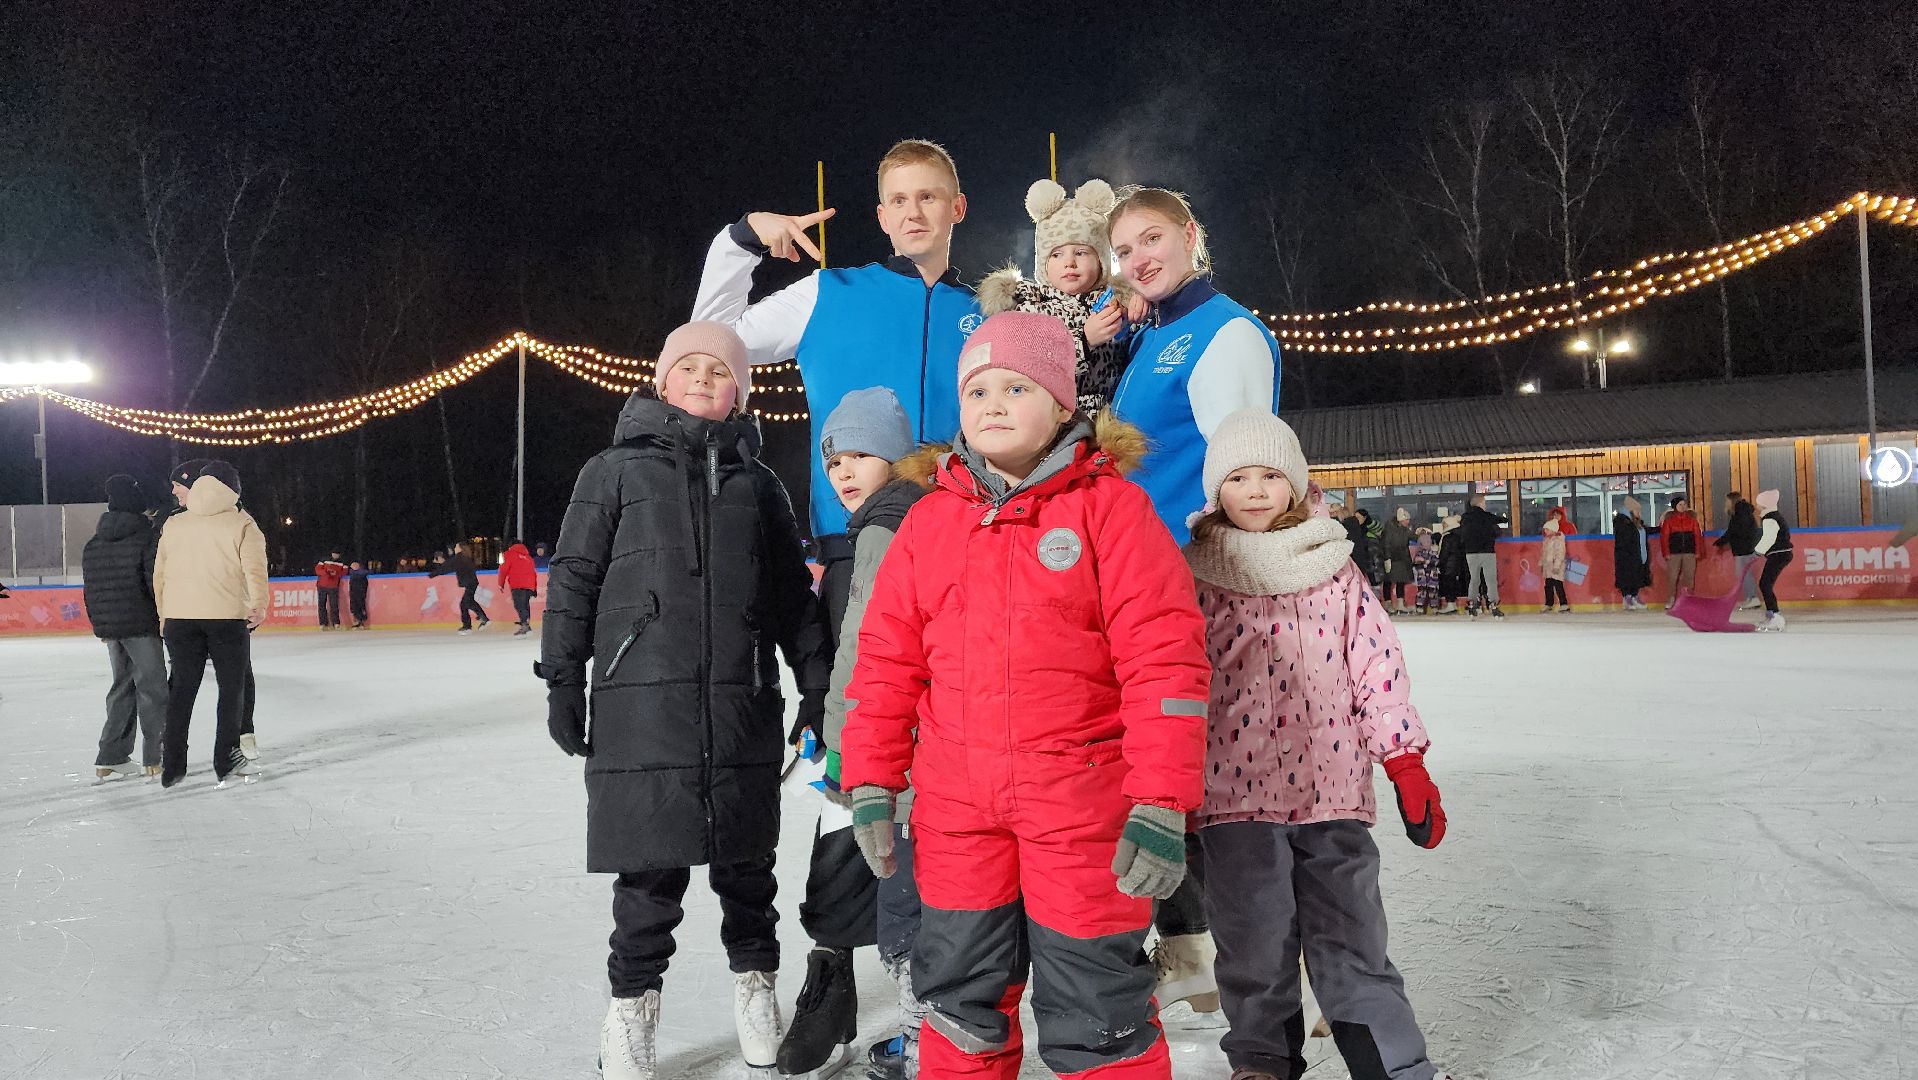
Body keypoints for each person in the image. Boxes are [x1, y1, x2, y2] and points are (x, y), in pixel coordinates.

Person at [841, 312, 1212, 1080]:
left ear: (1065, 404)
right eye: (977, 390)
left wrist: (1161, 801)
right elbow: (884, 665)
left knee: (1098, 1004)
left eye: (1016, 385)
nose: (994, 403)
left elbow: (1165, 665)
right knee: (957, 999)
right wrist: (872, 779)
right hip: (957, 816)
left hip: (1083, 810)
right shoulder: (928, 522)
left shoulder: (1113, 511)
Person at [538, 320, 831, 1080]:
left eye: (720, 370)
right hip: (643, 704)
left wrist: (816, 682)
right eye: (689, 366)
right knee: (649, 871)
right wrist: (564, 678)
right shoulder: (612, 472)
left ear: (739, 390)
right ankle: (631, 1010)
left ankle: (755, 986)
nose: (703, 378)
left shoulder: (758, 484)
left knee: (747, 866)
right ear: (663, 380)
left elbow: (792, 595)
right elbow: (573, 579)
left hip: (741, 701)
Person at [1180, 410, 1451, 1080]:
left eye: (1271, 475)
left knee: (1352, 938)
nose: (1256, 490)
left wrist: (1405, 761)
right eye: (1238, 477)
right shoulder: (1193, 574)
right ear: (1216, 491)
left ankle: (1391, 1063)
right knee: (1253, 944)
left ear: (1296, 485)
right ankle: (1262, 1063)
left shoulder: (1334, 568)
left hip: (1331, 792)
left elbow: (1376, 666)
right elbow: (1171, 675)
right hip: (1231, 800)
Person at [691, 138, 980, 540]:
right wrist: (743, 240)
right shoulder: (829, 292)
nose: (912, 212)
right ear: (882, 217)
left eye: (927, 196)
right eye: (898, 201)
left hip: (966, 534)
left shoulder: (989, 312)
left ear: (957, 208)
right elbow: (707, 343)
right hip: (852, 534)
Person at [777, 387, 933, 1080]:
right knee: (854, 859)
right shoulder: (872, 524)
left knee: (886, 870)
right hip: (873, 726)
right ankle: (840, 990)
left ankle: (923, 1031)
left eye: (860, 455)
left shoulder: (889, 522)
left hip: (882, 736)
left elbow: (869, 644)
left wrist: (840, 735)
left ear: (898, 459)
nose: (842, 469)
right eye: (834, 457)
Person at [1108, 187, 1282, 547]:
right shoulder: (1147, 337)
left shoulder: (1227, 331)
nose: (1138, 262)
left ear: (1189, 235)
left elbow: (1248, 478)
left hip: (1197, 570)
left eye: (1151, 239)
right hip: (1140, 562)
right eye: (1124, 252)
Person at [153, 460, 267, 788]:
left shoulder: (175, 524)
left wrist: (164, 615)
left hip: (179, 618)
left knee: (181, 689)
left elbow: (160, 575)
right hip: (227, 618)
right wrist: (259, 606)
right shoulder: (243, 523)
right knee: (231, 689)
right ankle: (227, 756)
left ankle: (173, 762)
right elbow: (254, 571)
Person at [977, 178, 1131, 411]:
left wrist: (1135, 300)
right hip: (1052, 422)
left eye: (1081, 252)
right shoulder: (1027, 307)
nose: (1069, 262)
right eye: (1057, 255)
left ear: (1101, 261)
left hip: (1109, 421)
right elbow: (1028, 366)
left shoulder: (1116, 303)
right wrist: (1083, 342)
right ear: (1043, 264)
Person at [80, 474, 167, 783]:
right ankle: (156, 757)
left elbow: (90, 590)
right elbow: (153, 584)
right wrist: (164, 617)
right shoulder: (145, 538)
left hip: (112, 627)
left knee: (122, 686)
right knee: (154, 689)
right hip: (143, 624)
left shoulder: (94, 542)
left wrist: (101, 624)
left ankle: (110, 756)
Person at [1458, 494, 1507, 618]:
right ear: (1480, 503)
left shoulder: (1465, 517)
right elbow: (1501, 520)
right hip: (1487, 552)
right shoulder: (1486, 516)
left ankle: (1472, 603)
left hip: (1471, 553)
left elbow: (1462, 533)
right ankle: (1494, 604)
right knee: (1490, 580)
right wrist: (1505, 518)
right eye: (1484, 503)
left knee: (1474, 579)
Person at [1752, 489, 1794, 631]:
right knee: (1765, 583)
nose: (1757, 506)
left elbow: (1769, 538)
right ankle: (1773, 615)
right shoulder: (1775, 516)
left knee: (1765, 584)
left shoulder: (1770, 518)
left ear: (1764, 505)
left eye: (1758, 503)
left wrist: (1757, 551)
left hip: (1779, 553)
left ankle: (1775, 617)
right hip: (1781, 553)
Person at [1714, 491, 1762, 610]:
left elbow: (1734, 531)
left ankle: (1752, 598)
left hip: (1744, 549)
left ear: (1732, 501)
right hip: (1744, 548)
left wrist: (1720, 542)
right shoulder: (1742, 512)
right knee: (1743, 574)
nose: (1726, 503)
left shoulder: (1740, 513)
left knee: (1744, 574)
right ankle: (1750, 598)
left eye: (1727, 501)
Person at [1654, 496, 1705, 609]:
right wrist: (1666, 553)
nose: (1683, 507)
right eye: (1680, 505)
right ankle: (1671, 598)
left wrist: (1697, 551)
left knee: (1689, 577)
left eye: (1684, 504)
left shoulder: (1692, 520)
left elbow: (1697, 536)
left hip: (1689, 552)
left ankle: (1688, 599)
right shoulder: (1669, 521)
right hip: (1674, 553)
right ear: (1675, 507)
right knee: (1672, 577)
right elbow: (1664, 538)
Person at [430, 542, 488, 633]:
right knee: (467, 603)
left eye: (456, 547)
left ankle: (473, 623)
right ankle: (477, 621)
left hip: (469, 583)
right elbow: (450, 565)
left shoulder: (459, 558)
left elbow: (447, 567)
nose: (455, 548)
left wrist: (433, 574)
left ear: (460, 548)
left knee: (465, 603)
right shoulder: (465, 558)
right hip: (472, 583)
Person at [1613, 496, 1652, 610]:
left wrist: (1660, 527)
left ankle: (1634, 596)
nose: (1639, 513)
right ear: (1630, 510)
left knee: (1637, 576)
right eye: (1637, 510)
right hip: (1626, 556)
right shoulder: (1622, 522)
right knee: (1627, 577)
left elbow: (1645, 530)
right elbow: (1624, 539)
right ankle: (1627, 597)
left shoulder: (1636, 524)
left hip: (1638, 556)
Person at [1381, 508, 1417, 614]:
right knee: (1389, 581)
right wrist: (1387, 558)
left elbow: (1414, 537)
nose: (1408, 522)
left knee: (1401, 581)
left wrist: (1421, 533)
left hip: (1402, 559)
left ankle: (1400, 604)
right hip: (1392, 559)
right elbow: (1386, 544)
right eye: (1407, 520)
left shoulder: (1405, 530)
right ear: (1401, 520)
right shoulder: (1389, 530)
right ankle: (1388, 604)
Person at [498, 541, 538, 636]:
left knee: (519, 605)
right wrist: (534, 588)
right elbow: (533, 573)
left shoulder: (508, 554)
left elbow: (503, 569)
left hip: (517, 584)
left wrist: (501, 583)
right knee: (525, 605)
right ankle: (526, 623)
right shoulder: (528, 557)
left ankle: (525, 626)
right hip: (529, 585)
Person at [1435, 515, 1468, 615]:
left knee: (1448, 584)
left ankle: (1450, 604)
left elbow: (1444, 553)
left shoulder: (1448, 537)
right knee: (1452, 584)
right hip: (1457, 565)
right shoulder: (1459, 536)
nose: (1442, 526)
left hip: (1449, 565)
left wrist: (1440, 563)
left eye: (1444, 524)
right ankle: (1452, 604)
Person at [1541, 517, 1571, 612]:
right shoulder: (1546, 540)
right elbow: (1544, 553)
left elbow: (1560, 554)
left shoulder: (1558, 540)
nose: (1545, 531)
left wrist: (1557, 566)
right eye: (1545, 529)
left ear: (1553, 529)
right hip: (1548, 568)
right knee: (1548, 586)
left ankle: (1564, 604)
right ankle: (1549, 603)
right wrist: (1542, 563)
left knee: (1558, 585)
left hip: (1556, 568)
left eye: (1547, 529)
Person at [315, 550, 347, 630]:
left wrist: (336, 574)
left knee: (334, 605)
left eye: (337, 554)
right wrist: (326, 572)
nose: (335, 555)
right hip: (322, 586)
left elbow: (345, 572)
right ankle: (323, 624)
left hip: (333, 586)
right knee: (322, 605)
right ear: (332, 553)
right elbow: (317, 570)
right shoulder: (324, 559)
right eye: (334, 553)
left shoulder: (342, 562)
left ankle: (336, 623)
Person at [1412, 528, 1441, 614]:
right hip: (1422, 575)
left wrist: (1427, 561)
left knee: (1433, 591)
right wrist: (1420, 561)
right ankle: (1419, 607)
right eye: (1423, 542)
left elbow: (1436, 561)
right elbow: (1416, 561)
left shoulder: (1433, 552)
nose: (1426, 544)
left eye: (1428, 542)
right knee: (1421, 591)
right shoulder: (1419, 553)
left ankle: (1434, 607)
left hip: (1432, 575)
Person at [347, 561, 372, 629]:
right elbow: (355, 574)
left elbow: (365, 573)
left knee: (361, 606)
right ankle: (357, 621)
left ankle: (361, 621)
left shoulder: (362, 573)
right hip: (353, 593)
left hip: (361, 593)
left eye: (355, 565)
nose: (353, 567)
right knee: (354, 607)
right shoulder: (352, 572)